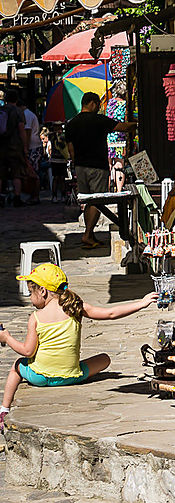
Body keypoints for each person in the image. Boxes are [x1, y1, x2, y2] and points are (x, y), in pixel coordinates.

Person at [0, 263, 157, 431]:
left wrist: (7, 337)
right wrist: (141, 303)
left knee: (17, 366)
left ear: (43, 291)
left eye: (31, 292)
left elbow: (27, 351)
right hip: (71, 376)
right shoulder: (74, 307)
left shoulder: (36, 317)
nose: (30, 298)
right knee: (105, 359)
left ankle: (4, 409)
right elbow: (110, 313)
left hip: (40, 377)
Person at [65, 92, 136, 248]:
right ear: (92, 103)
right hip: (97, 166)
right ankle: (88, 234)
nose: (98, 108)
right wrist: (137, 123)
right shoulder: (98, 120)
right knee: (97, 202)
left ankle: (89, 234)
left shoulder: (71, 123)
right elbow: (122, 127)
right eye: (97, 104)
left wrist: (77, 165)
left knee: (87, 201)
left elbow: (71, 150)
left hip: (81, 167)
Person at [0, 89, 28, 207]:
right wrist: (25, 146)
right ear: (16, 99)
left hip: (1, 146)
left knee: (0, 173)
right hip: (15, 146)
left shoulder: (1, 110)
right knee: (17, 173)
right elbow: (22, 129)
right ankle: (17, 197)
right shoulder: (18, 111)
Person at [17, 95, 41, 204]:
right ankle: (34, 195)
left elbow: (27, 132)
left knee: (32, 172)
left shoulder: (26, 115)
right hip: (34, 145)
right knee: (32, 171)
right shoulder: (29, 114)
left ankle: (35, 195)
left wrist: (25, 148)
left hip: (32, 146)